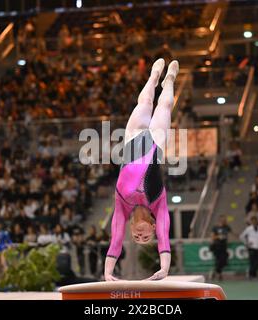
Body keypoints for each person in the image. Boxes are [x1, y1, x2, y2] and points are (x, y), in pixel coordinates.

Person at [104, 58, 179, 281]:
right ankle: (168, 79)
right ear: (153, 227)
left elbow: (115, 242)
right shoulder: (159, 203)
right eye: (146, 237)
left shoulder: (122, 209)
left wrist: (108, 273)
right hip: (156, 140)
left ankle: (153, 76)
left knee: (146, 101)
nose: (140, 237)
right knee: (164, 105)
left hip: (133, 138)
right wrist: (164, 269)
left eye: (137, 238)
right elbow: (165, 241)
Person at [210, 215, 231, 281]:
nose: (223, 221)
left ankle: (214, 272)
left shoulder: (227, 227)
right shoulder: (215, 228)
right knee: (218, 260)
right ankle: (219, 274)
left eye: (224, 220)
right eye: (222, 219)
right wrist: (219, 237)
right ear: (219, 220)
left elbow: (232, 233)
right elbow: (212, 237)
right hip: (217, 246)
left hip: (224, 246)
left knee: (224, 260)